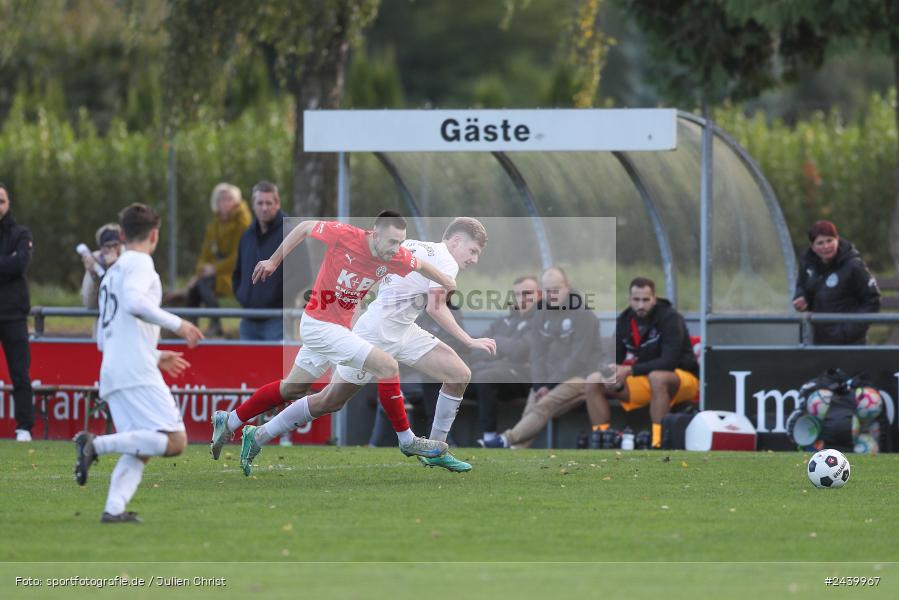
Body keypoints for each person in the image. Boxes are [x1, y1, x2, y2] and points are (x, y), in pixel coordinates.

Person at [233, 217, 494, 474]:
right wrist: (469, 339)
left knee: (459, 374)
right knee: (329, 400)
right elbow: (436, 308)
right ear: (456, 241)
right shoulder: (447, 261)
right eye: (473, 251)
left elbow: (373, 274)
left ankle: (436, 449)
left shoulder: (412, 244)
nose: (474, 259)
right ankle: (258, 434)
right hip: (376, 334)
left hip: (404, 331)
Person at [72, 203, 203, 523]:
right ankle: (95, 445)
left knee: (141, 447)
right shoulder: (141, 263)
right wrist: (179, 324)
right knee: (175, 441)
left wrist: (155, 355)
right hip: (134, 371)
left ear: (122, 234)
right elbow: (134, 303)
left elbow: (106, 336)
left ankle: (114, 509)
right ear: (154, 235)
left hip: (114, 369)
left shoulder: (112, 272)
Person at [479, 266, 599, 449]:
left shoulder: (583, 315)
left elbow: (578, 359)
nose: (552, 294)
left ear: (567, 287)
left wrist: (548, 385)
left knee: (543, 404)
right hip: (550, 379)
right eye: (548, 290)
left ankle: (505, 439)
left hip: (581, 377)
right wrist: (539, 385)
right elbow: (537, 355)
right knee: (533, 405)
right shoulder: (541, 315)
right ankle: (515, 450)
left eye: (556, 289)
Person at [583, 277, 699, 449]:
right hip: (646, 378)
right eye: (636, 300)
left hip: (683, 379)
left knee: (657, 377)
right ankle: (602, 439)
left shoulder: (670, 318)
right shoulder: (625, 320)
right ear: (630, 300)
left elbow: (669, 361)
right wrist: (610, 372)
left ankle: (659, 442)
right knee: (593, 380)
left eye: (646, 300)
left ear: (654, 299)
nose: (641, 305)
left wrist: (629, 370)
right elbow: (614, 356)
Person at [232, 181, 311, 341]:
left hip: (277, 319)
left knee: (276, 359)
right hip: (248, 319)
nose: (264, 208)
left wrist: (274, 296)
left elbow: (304, 275)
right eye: (260, 203)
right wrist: (243, 295)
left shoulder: (290, 234)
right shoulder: (247, 235)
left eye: (269, 203)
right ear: (253, 205)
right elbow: (238, 272)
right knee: (247, 358)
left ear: (277, 204)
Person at [473, 274, 541, 443]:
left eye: (527, 293)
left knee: (486, 377)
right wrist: (504, 350)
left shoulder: (542, 320)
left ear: (539, 295)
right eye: (517, 294)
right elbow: (477, 348)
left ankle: (489, 438)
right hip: (496, 371)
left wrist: (496, 341)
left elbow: (520, 351)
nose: (521, 298)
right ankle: (442, 437)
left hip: (524, 377)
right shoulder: (504, 320)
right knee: (452, 374)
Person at [792, 220, 880, 345]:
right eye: (820, 243)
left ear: (837, 240)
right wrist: (801, 298)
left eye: (829, 240)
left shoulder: (854, 266)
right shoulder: (808, 264)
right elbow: (801, 285)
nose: (826, 246)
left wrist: (847, 332)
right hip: (817, 340)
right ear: (813, 247)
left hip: (849, 343)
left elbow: (872, 301)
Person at [187, 183, 251, 336]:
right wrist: (201, 272)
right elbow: (205, 255)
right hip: (215, 274)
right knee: (194, 288)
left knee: (203, 284)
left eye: (229, 199)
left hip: (237, 273)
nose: (225, 203)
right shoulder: (214, 225)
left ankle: (215, 325)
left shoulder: (243, 223)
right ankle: (191, 328)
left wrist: (214, 269)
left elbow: (239, 256)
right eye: (222, 199)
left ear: (236, 202)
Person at [0, 183, 34, 442]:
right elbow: (10, 265)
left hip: (13, 314)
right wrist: (7, 262)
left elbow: (19, 264)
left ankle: (24, 427)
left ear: (9, 204)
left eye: (1, 201)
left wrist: (11, 263)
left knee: (20, 373)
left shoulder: (21, 233)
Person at [80, 223, 124, 309]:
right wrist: (94, 275)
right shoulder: (97, 261)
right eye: (108, 246)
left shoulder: (128, 258)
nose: (112, 250)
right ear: (101, 248)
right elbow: (89, 304)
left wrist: (115, 266)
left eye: (115, 245)